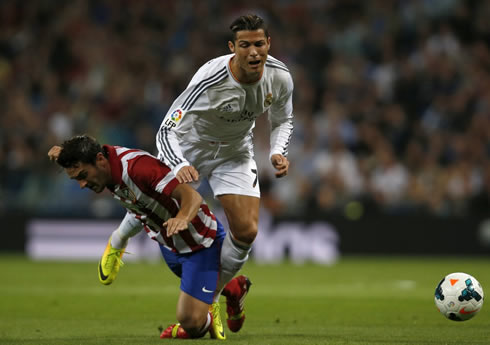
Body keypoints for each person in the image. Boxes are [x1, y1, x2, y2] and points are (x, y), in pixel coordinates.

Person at [156, 14, 293, 331]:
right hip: (193, 149)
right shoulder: (208, 78)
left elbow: (283, 119)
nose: (254, 52)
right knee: (162, 222)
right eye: (245, 45)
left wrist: (277, 151)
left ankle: (212, 302)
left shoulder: (281, 77)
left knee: (246, 231)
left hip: (234, 153)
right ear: (233, 48)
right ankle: (121, 241)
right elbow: (167, 127)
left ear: (269, 43)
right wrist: (179, 164)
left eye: (260, 44)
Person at [47, 135, 250, 340]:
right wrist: (64, 153)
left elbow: (192, 197)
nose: (82, 184)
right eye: (77, 179)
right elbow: (87, 150)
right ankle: (234, 288)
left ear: (100, 160)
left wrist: (182, 218)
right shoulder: (105, 167)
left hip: (199, 243)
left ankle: (204, 315)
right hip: (168, 242)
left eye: (83, 175)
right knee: (195, 285)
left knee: (191, 322)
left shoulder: (139, 168)